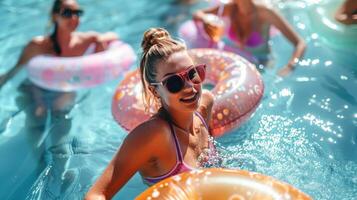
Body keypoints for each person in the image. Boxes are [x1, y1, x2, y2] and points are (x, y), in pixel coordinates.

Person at [85, 27, 215, 199]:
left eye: (193, 73)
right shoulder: (154, 135)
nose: (190, 87)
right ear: (155, 92)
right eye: (174, 83)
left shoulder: (205, 104)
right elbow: (96, 195)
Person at [0, 0, 118, 90]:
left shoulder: (86, 40)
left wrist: (99, 40)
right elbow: (14, 71)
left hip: (64, 89)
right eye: (67, 13)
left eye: (78, 13)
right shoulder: (37, 46)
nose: (74, 18)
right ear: (55, 16)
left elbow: (113, 35)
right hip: (36, 89)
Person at [192, 0, 306, 76]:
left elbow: (300, 43)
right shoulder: (230, 8)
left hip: (262, 63)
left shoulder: (265, 12)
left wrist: (291, 66)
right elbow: (197, 13)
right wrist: (205, 19)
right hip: (237, 58)